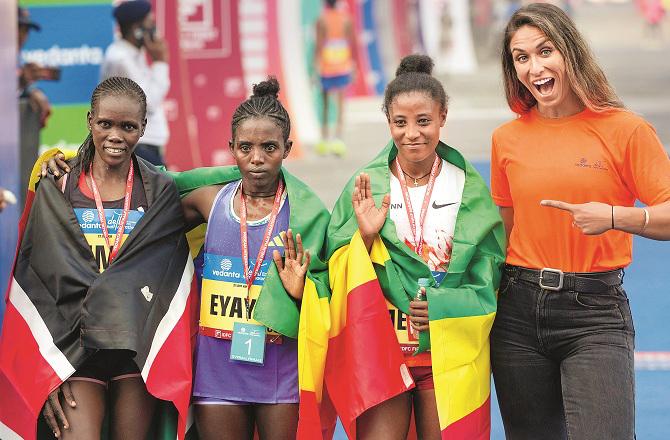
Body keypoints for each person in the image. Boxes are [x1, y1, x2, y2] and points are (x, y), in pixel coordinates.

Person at [490, 4, 670, 439]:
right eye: (522, 57)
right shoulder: (506, 139)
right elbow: (503, 235)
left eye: (545, 51)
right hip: (517, 312)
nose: (535, 67)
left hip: (595, 312)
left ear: (570, 51)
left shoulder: (624, 129)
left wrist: (613, 216)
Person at [0, 77, 194, 440]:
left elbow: (221, 188)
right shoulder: (58, 186)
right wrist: (45, 368)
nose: (116, 136)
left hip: (135, 351)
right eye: (106, 124)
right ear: (90, 120)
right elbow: (35, 281)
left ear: (143, 128)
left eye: (128, 126)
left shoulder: (160, 191)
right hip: (74, 350)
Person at [326, 54, 505, 439]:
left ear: (442, 116)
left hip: (447, 349)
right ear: (388, 121)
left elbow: (489, 275)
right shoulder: (365, 187)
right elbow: (332, 266)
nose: (412, 134)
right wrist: (366, 237)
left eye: (423, 121)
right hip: (382, 349)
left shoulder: (467, 187)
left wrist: (443, 306)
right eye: (400, 123)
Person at [171, 77, 330, 440]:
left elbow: (333, 297)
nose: (257, 158)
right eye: (246, 147)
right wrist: (68, 165)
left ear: (287, 149)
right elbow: (140, 215)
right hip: (216, 374)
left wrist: (304, 291)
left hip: (281, 374)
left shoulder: (306, 216)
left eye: (269, 147)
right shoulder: (209, 202)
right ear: (231, 148)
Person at [101, 0, 170, 166]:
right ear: (137, 29)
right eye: (151, 24)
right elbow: (149, 103)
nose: (155, 29)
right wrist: (160, 62)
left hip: (145, 143)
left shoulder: (132, 54)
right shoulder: (121, 59)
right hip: (137, 145)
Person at [314, 0, 356, 157]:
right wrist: (352, 66)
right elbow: (351, 43)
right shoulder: (346, 18)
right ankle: (338, 139)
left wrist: (315, 68)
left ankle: (324, 139)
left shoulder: (322, 19)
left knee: (325, 103)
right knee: (340, 102)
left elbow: (318, 45)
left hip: (326, 66)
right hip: (342, 63)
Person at [17, 7, 51, 128]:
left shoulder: (15, 59)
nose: (22, 35)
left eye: (25, 30)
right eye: (17, 28)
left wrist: (28, 89)